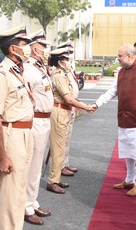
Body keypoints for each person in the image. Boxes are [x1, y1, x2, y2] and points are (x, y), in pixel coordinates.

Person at [92, 44, 136, 196]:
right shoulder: (121, 72)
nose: (118, 59)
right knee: (127, 150)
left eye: (120, 56)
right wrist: (97, 103)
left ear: (130, 56)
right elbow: (112, 91)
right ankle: (129, 179)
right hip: (124, 118)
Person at [0, 24, 34, 230]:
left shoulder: (18, 70)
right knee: (10, 195)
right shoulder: (1, 75)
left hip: (25, 133)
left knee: (19, 191)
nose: (28, 48)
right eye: (24, 44)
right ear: (12, 48)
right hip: (11, 135)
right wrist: (3, 155)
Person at [46, 47, 93, 194]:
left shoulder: (63, 73)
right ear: (60, 62)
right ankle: (53, 181)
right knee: (58, 148)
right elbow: (68, 98)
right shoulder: (58, 75)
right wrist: (85, 107)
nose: (69, 61)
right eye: (66, 59)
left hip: (64, 111)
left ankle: (56, 178)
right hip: (59, 111)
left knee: (60, 147)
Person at [22, 29, 53, 225]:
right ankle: (25, 206)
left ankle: (32, 201)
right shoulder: (28, 69)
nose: (45, 50)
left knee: (37, 165)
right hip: (35, 120)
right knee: (31, 166)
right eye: (43, 46)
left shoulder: (40, 67)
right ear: (34, 48)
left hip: (44, 120)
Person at [57, 41, 79, 177]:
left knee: (67, 138)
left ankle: (65, 163)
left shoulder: (69, 68)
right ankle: (59, 166)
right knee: (61, 140)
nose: (70, 57)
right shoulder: (59, 71)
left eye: (71, 53)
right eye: (67, 54)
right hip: (63, 106)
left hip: (70, 106)